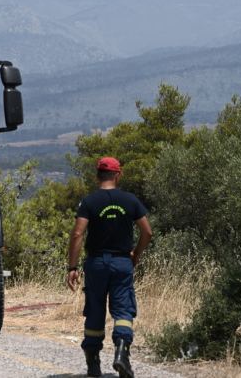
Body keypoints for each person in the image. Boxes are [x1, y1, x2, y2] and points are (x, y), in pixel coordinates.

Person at [67, 156, 152, 378]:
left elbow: (77, 233)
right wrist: (136, 253)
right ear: (118, 175)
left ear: (97, 175)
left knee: (95, 309)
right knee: (123, 310)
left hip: (96, 263)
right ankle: (122, 353)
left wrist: (72, 267)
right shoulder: (130, 200)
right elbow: (147, 231)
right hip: (122, 262)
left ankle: (93, 362)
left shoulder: (89, 201)